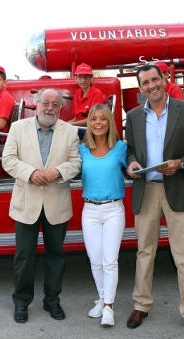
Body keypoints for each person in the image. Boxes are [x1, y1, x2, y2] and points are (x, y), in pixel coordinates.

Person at [123, 63, 184, 339]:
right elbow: (130, 152)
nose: (151, 86)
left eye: (155, 79)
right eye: (145, 83)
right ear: (140, 88)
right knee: (144, 251)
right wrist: (132, 163)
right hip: (147, 190)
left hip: (179, 189)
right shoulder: (135, 116)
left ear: (164, 79)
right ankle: (141, 305)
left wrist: (182, 163)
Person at [2, 88, 82, 324]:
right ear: (35, 105)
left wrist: (57, 172)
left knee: (56, 256)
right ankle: (21, 303)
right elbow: (8, 159)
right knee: (24, 256)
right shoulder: (18, 128)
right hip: (26, 203)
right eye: (45, 103)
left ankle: (52, 300)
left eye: (55, 104)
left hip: (57, 203)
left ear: (61, 108)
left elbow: (76, 162)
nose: (50, 108)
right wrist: (31, 173)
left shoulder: (70, 131)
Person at [79, 104, 127, 327]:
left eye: (103, 119)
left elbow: (133, 167)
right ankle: (101, 298)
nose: (98, 123)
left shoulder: (120, 147)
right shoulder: (82, 150)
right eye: (93, 119)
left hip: (113, 210)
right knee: (95, 261)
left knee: (109, 261)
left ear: (110, 123)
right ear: (88, 124)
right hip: (89, 210)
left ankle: (109, 306)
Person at [68, 63, 107, 127]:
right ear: (76, 79)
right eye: (80, 77)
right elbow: (76, 118)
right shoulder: (77, 93)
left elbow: (94, 119)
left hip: (92, 129)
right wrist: (63, 125)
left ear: (91, 78)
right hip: (79, 128)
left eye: (86, 76)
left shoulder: (97, 94)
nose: (83, 80)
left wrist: (70, 125)